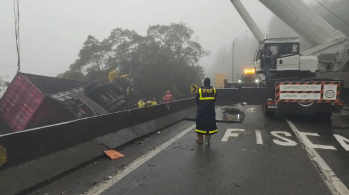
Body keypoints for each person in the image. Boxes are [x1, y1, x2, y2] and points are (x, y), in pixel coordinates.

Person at [195, 77, 217, 146]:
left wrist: (200, 106)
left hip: (201, 110)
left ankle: (200, 139)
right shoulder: (214, 90)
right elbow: (214, 100)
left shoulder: (200, 90)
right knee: (209, 124)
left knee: (200, 124)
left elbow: (196, 100)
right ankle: (207, 141)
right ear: (209, 83)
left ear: (204, 83)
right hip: (210, 110)